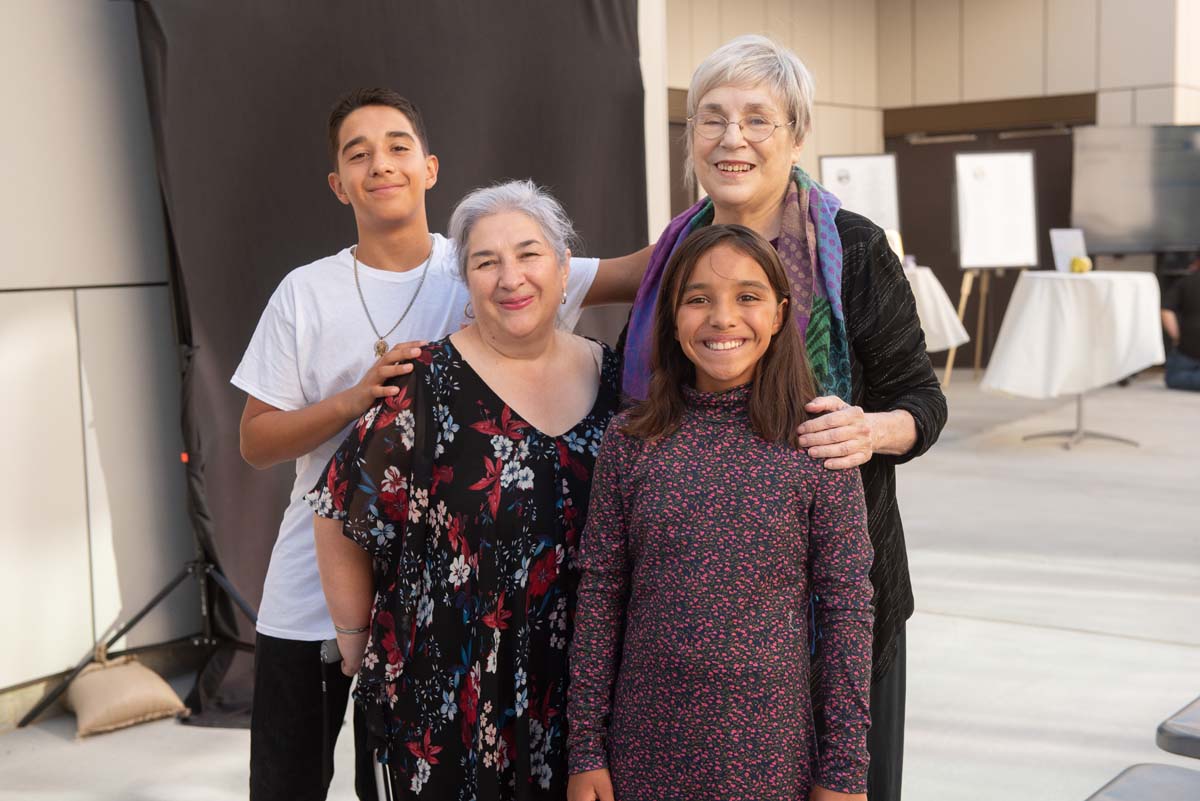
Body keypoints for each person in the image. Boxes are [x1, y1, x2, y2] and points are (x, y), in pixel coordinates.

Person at [232, 89, 647, 801]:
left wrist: (745, 197)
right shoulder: (306, 292)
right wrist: (356, 399)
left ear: (429, 167)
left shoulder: (489, 255)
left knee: (388, 771)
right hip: (318, 581)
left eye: (397, 147)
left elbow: (648, 270)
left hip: (426, 594)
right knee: (285, 783)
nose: (380, 164)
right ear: (338, 184)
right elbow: (254, 440)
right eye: (358, 154)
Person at [619, 36, 947, 801]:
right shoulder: (674, 255)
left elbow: (923, 402)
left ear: (796, 135)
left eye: (757, 119)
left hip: (839, 611)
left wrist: (869, 429)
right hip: (697, 627)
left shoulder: (854, 249)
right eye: (712, 118)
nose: (731, 138)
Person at [306, 179, 620, 799]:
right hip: (449, 689)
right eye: (486, 261)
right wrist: (352, 639)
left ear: (563, 269)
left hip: (581, 691)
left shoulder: (616, 378)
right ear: (467, 281)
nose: (511, 278)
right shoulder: (423, 381)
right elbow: (337, 509)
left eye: (529, 254)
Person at [567, 225, 873, 801]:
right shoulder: (631, 441)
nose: (723, 318)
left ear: (780, 314)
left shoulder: (817, 441)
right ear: (671, 317)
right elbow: (601, 595)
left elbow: (847, 610)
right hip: (644, 750)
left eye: (747, 297)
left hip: (770, 756)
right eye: (698, 299)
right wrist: (585, 748)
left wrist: (844, 772)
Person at [1162, 256, 1200, 391]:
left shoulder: (1185, 282)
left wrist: (1176, 336)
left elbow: (1166, 311)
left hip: (1187, 349)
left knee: (1174, 378)